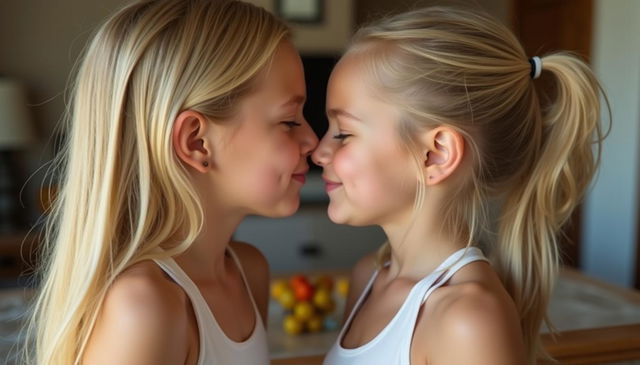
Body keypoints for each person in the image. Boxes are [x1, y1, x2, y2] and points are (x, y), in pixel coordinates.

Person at [24, 1, 317, 364]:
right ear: (196, 142)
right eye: (289, 121)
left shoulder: (248, 271)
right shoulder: (145, 308)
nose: (313, 141)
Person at [313, 6, 607, 365]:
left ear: (436, 155)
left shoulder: (467, 319)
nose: (319, 152)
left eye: (343, 133)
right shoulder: (368, 278)